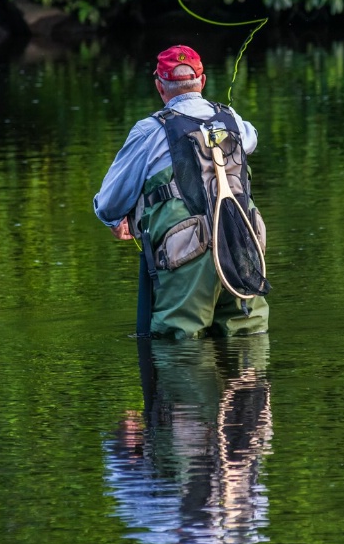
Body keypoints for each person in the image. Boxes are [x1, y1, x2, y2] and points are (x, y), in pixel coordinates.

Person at [94, 45, 269, 338]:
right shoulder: (233, 120)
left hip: (186, 250)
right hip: (242, 241)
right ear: (202, 82)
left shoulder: (149, 130)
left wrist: (114, 220)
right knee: (248, 336)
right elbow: (251, 139)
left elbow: (109, 202)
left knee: (181, 344)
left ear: (160, 87)